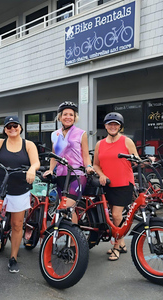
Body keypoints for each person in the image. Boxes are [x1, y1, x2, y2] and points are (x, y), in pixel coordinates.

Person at [0, 115, 40, 273]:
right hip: (0, 185)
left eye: (15, 126)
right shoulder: (0, 143)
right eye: (9, 126)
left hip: (19, 189)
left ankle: (13, 258)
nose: (12, 129)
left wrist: (32, 169)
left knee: (17, 225)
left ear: (20, 128)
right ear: (5, 129)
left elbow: (36, 162)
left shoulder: (28, 144)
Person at [93, 112, 139, 261]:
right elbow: (96, 165)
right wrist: (101, 174)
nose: (113, 127)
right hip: (106, 184)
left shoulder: (127, 141)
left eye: (116, 124)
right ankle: (122, 243)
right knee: (111, 217)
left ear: (120, 127)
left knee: (117, 215)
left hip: (123, 183)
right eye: (110, 124)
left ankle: (116, 247)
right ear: (105, 126)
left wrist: (142, 160)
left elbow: (136, 159)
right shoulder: (100, 144)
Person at [43, 101, 94, 223]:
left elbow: (85, 155)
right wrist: (51, 169)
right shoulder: (54, 134)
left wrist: (89, 166)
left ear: (75, 117)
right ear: (60, 117)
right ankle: (74, 240)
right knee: (69, 212)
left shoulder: (81, 133)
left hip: (77, 174)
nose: (68, 117)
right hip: (61, 175)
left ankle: (62, 234)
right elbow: (54, 156)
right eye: (65, 114)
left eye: (71, 115)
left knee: (66, 206)